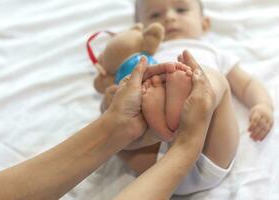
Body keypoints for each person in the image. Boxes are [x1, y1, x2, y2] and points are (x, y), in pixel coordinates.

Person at [0, 55, 216, 200]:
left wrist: (116, 126)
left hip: (160, 154)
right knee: (214, 81)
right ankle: (169, 120)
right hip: (185, 149)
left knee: (215, 80)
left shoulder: (216, 52)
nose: (170, 18)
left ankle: (133, 126)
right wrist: (186, 146)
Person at [99, 0, 274, 196]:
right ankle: (167, 111)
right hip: (156, 159)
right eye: (155, 16)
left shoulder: (213, 52)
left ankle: (182, 101)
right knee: (117, 117)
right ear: (143, 30)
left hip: (208, 146)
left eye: (181, 10)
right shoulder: (142, 57)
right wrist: (110, 102)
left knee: (211, 80)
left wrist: (263, 105)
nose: (169, 17)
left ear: (204, 23)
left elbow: (248, 83)